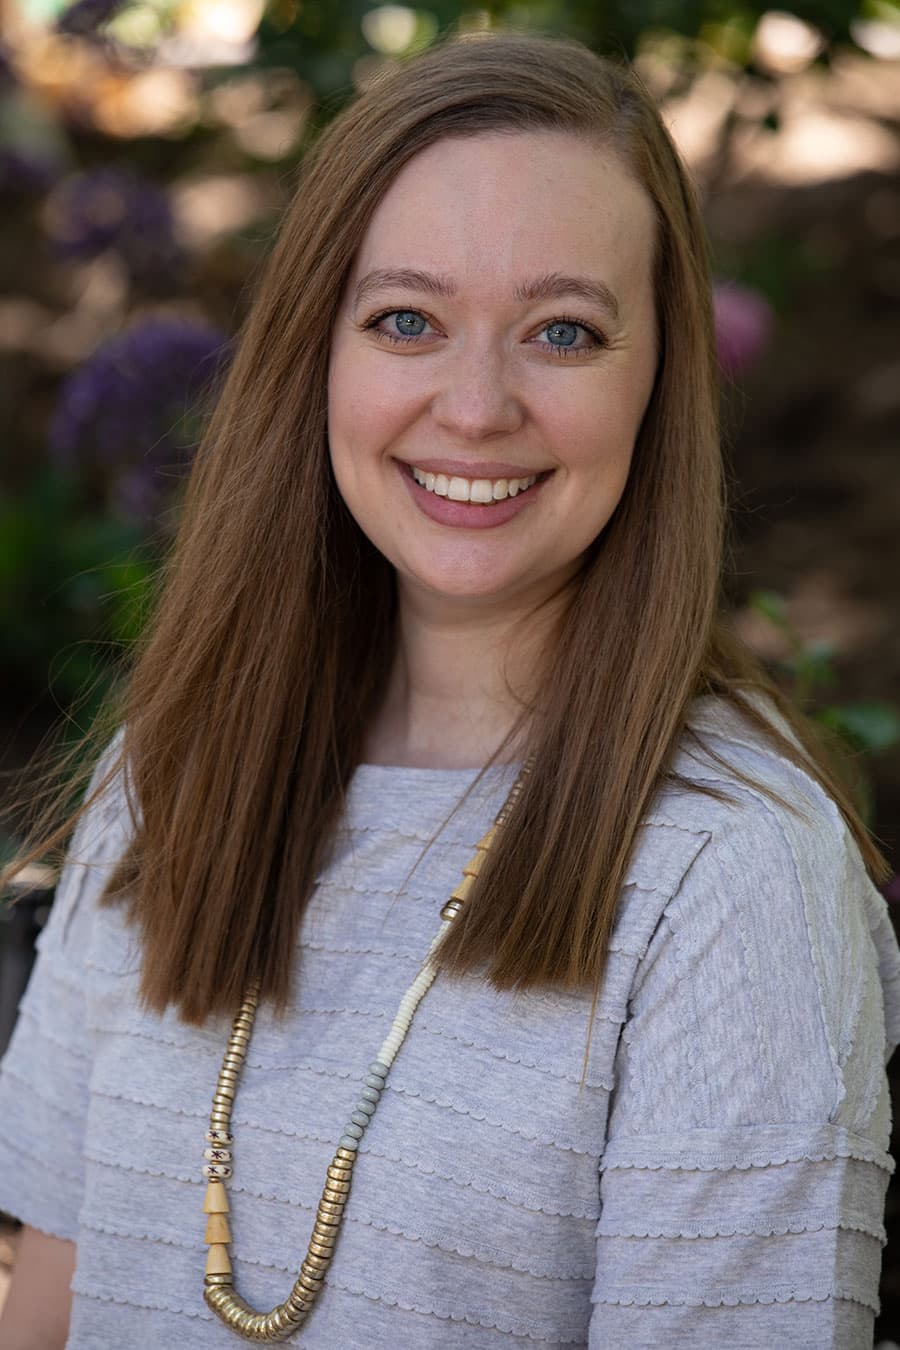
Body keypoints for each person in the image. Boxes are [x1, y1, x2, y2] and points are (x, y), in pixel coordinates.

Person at [0, 29, 897, 1350]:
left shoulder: (735, 870)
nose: (475, 405)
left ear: (659, 384)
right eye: (407, 318)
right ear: (316, 353)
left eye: (564, 331)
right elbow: (51, 1311)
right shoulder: (171, 772)